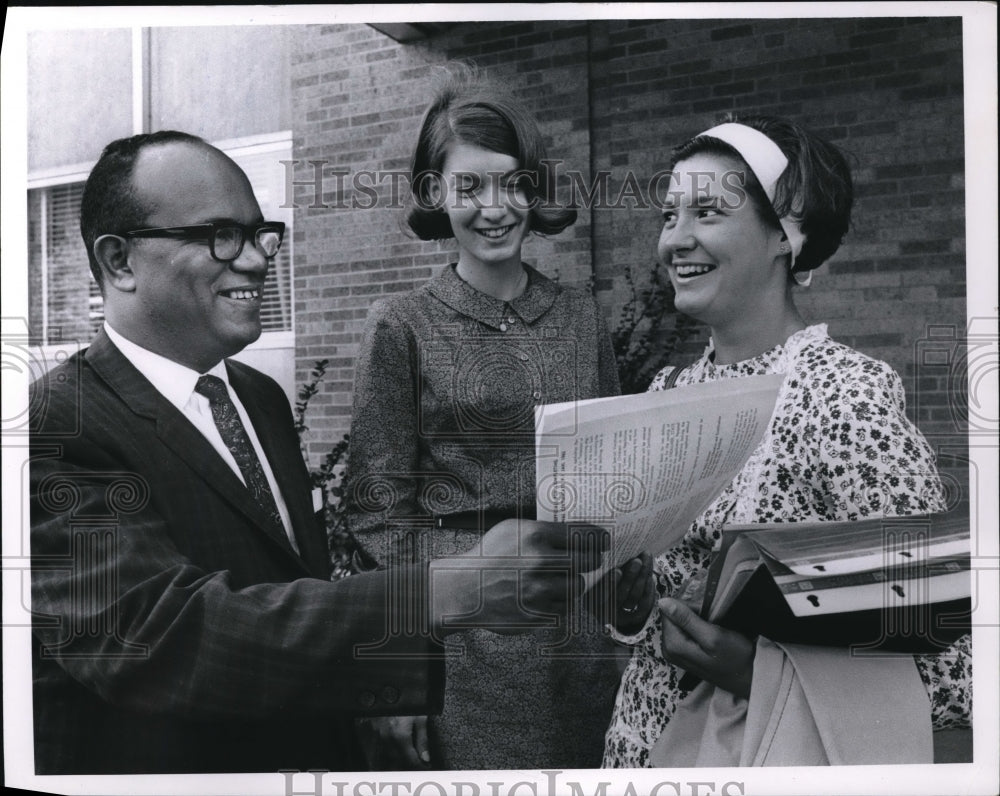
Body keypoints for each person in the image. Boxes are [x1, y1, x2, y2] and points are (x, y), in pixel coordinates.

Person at [28, 130, 608, 775]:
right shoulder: (54, 425)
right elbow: (159, 637)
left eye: (260, 234)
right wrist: (445, 589)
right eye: (221, 236)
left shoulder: (259, 399)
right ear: (118, 261)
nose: (257, 260)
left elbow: (296, 588)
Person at [602, 116, 972, 767]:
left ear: (785, 234)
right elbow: (659, 616)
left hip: (764, 758)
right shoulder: (667, 393)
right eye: (669, 215)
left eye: (708, 212)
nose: (675, 240)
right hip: (644, 754)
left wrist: (756, 674)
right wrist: (631, 608)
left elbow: (950, 667)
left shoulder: (843, 397)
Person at [344, 67, 624, 770]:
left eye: (512, 183)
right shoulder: (401, 326)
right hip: (463, 641)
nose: (494, 208)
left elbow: (615, 474)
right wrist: (399, 664)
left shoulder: (582, 318)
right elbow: (378, 515)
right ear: (435, 192)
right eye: (469, 186)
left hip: (579, 637)